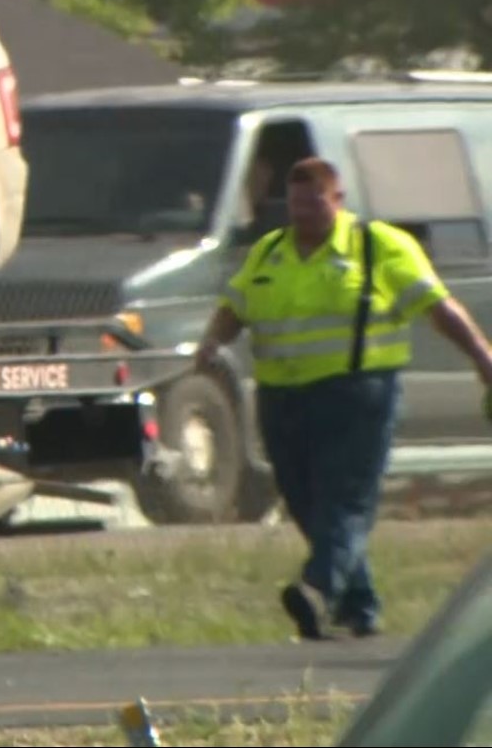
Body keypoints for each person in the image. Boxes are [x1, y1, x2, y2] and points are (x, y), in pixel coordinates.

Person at [196, 156, 492, 640]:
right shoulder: (270, 252)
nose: (304, 215)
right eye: (296, 206)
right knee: (305, 502)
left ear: (339, 200)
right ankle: (360, 606)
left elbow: (440, 310)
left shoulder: (379, 248)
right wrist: (212, 342)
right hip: (282, 400)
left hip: (358, 396)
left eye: (315, 204)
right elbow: (236, 307)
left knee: (345, 501)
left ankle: (316, 589)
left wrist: (483, 359)